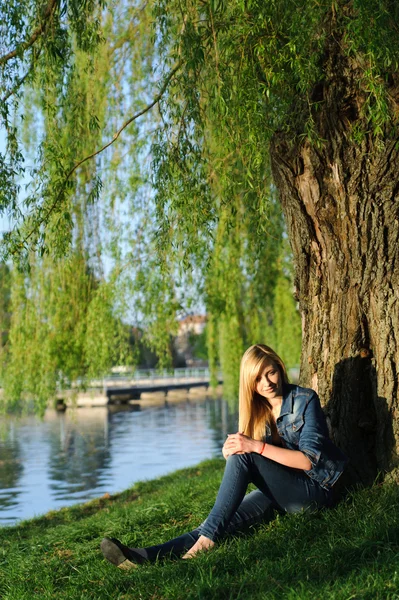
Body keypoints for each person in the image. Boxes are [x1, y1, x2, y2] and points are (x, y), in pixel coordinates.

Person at [101, 344, 347, 569]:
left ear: (280, 368)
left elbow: (307, 460)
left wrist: (253, 447)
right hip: (279, 492)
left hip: (314, 493)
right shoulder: (256, 409)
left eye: (270, 373)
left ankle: (205, 543)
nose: (267, 383)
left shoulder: (305, 400)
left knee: (243, 461)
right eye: (257, 378)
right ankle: (143, 556)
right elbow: (252, 458)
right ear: (249, 383)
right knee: (217, 522)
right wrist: (230, 450)